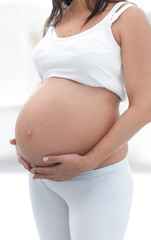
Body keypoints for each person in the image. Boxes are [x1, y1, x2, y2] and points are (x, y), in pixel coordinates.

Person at [10, 0, 151, 239]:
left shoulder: (126, 17)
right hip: (42, 178)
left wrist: (89, 161)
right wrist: (27, 140)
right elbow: (54, 85)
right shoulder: (57, 19)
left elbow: (145, 106)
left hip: (95, 178)